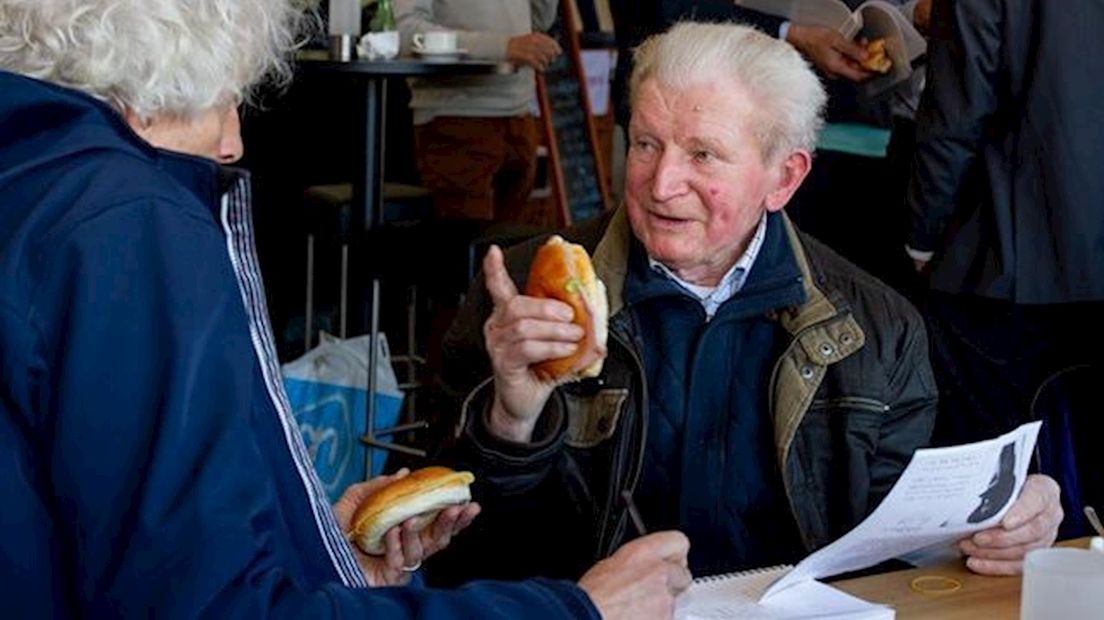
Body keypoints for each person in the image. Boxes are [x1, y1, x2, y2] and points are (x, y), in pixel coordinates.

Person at [0, 1, 691, 616]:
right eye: (223, 99)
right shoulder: (129, 227)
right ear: (145, 94)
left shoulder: (30, 181)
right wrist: (580, 611)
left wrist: (316, 548)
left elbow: (93, 534)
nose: (233, 142)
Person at [424, 21, 1063, 586]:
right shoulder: (522, 293)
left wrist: (995, 524)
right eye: (646, 144)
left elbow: (898, 550)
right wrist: (511, 420)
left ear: (784, 178)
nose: (662, 183)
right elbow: (452, 557)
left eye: (703, 154)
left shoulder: (877, 326)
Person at [906, 0, 1099, 537]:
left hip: (1006, 255)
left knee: (988, 495)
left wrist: (922, 235)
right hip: (1047, 251)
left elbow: (956, 111)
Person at [395, 0, 561, 225]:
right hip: (456, 119)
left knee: (511, 252)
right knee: (466, 252)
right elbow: (405, 32)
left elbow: (538, 21)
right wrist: (502, 47)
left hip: (520, 118)